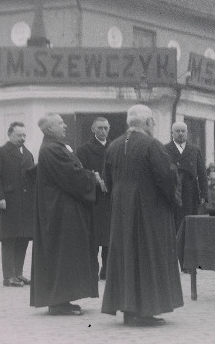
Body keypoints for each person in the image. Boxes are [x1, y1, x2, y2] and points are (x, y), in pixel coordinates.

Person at [101, 105, 184, 326]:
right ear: (147, 122)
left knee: (127, 256)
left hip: (121, 210)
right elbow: (166, 177)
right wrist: (173, 199)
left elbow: (107, 180)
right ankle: (145, 311)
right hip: (149, 208)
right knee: (148, 256)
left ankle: (129, 309)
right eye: (153, 122)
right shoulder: (152, 145)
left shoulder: (113, 146)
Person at [30, 113, 102, 316]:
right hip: (60, 211)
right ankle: (58, 302)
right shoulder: (52, 150)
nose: (65, 127)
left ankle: (63, 299)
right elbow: (71, 175)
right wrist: (92, 177)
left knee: (66, 255)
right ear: (49, 129)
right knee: (63, 255)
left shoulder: (54, 147)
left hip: (62, 209)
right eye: (60, 124)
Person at [0, 122, 35, 287]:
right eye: (18, 135)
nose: (22, 138)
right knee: (9, 238)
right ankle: (8, 276)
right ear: (10, 135)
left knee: (22, 238)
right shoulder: (0, 153)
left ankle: (18, 273)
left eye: (24, 135)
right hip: (7, 203)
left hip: (25, 205)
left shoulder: (28, 154)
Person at [163, 120, 207, 269]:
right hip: (172, 193)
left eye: (183, 131)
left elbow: (202, 173)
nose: (180, 133)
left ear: (187, 133)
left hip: (190, 193)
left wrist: (204, 193)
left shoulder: (194, 150)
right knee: (171, 227)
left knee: (188, 227)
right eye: (177, 131)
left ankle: (187, 263)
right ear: (172, 133)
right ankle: (170, 264)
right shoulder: (164, 149)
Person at [76, 117, 112, 280]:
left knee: (109, 235)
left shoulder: (114, 147)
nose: (103, 131)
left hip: (111, 197)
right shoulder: (84, 150)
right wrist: (95, 180)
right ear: (93, 129)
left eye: (105, 128)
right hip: (94, 198)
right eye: (99, 128)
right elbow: (79, 172)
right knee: (93, 235)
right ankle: (92, 269)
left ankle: (107, 268)